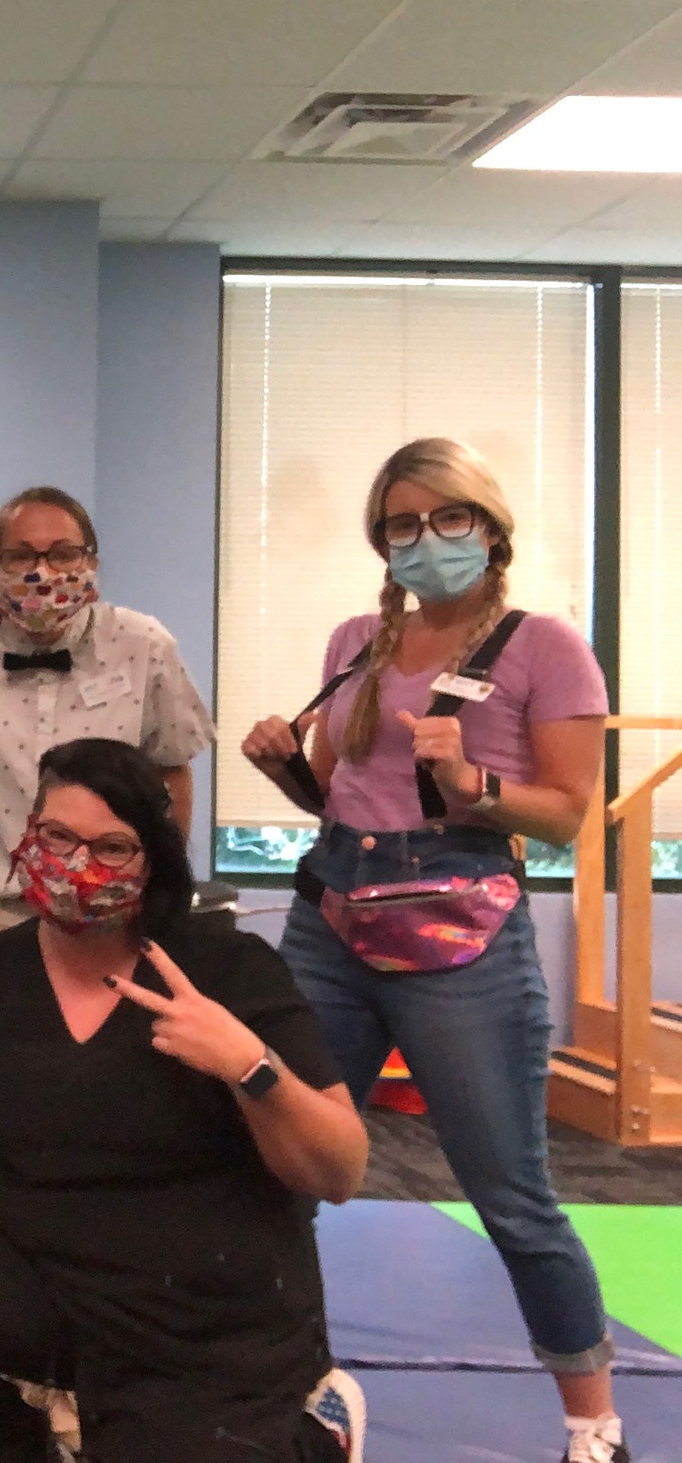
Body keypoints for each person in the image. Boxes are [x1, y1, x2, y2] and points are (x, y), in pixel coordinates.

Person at [0, 738, 369, 1463]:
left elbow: (341, 1171)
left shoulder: (230, 969)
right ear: (29, 835)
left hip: (209, 1312)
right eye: (57, 837)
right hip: (52, 1288)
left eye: (111, 848)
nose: (77, 864)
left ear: (153, 861)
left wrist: (249, 1065)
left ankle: (316, 1427)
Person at [242, 438, 626, 1463]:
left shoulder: (545, 646)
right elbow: (337, 796)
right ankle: (291, 1387)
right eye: (402, 524)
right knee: (275, 1174)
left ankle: (593, 1425)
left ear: (488, 527)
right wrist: (282, 764)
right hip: (330, 922)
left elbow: (566, 815)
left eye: (446, 518)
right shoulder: (356, 642)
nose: (425, 539)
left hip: (464, 938)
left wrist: (474, 785)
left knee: (511, 1195)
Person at [0, 486, 214, 945]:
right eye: (20, 555)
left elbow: (172, 770)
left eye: (64, 554)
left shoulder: (144, 646)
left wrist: (163, 888)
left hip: (117, 907)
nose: (42, 572)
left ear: (91, 562)